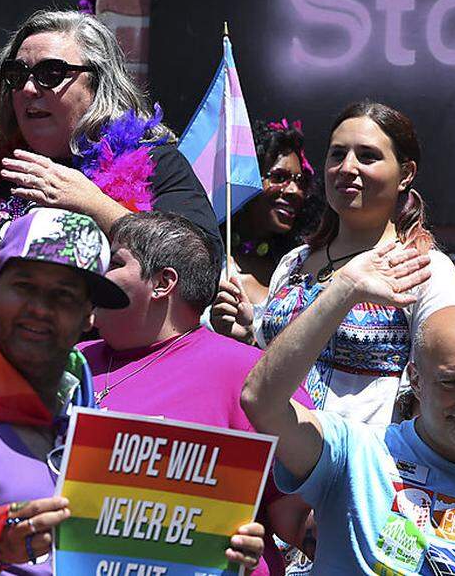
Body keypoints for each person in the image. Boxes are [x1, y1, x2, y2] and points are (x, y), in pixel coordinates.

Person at [0, 208, 260, 574]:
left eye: (64, 296)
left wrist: (213, 551)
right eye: (25, 287)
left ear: (88, 315)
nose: (41, 309)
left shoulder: (93, 434)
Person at [240, 242, 455, 575]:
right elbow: (261, 401)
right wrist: (344, 291)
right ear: (415, 380)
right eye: (451, 382)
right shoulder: (355, 455)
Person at [0, 9, 220, 350]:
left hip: (80, 389)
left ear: (97, 83)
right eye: (17, 74)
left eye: (52, 72)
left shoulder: (156, 162)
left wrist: (93, 204)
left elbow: (201, 270)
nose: (30, 88)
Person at [77, 210, 317, 575]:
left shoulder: (248, 375)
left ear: (163, 282)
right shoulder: (68, 363)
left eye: (114, 262)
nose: (96, 274)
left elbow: (299, 517)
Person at [218, 101, 455, 426]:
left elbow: (449, 382)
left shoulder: (422, 270)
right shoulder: (294, 263)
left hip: (365, 465)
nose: (347, 167)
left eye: (367, 156)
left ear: (405, 174)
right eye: (337, 154)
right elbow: (268, 372)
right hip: (270, 458)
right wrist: (247, 337)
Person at [210, 118, 317, 341]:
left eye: (301, 182)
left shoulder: (297, 270)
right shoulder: (207, 259)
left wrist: (250, 339)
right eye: (279, 177)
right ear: (246, 179)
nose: (294, 191)